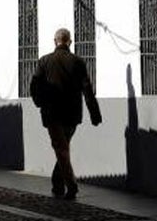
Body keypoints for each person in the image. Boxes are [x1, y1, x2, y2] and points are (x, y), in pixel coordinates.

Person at [29, 28, 102, 199]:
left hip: (52, 114)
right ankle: (57, 183)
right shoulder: (78, 62)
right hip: (72, 114)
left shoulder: (44, 61)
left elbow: (34, 86)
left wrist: (40, 102)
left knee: (61, 149)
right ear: (69, 41)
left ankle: (71, 186)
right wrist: (94, 113)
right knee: (63, 148)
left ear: (55, 41)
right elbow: (87, 89)